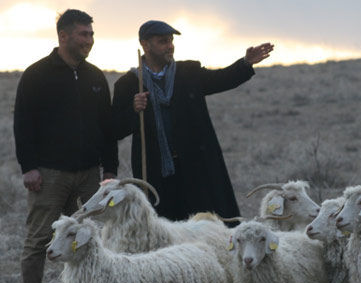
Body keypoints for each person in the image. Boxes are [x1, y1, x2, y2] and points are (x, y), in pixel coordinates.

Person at [13, 9, 118, 283]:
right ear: (63, 36)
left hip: (89, 175)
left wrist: (110, 170)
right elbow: (23, 124)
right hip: (49, 174)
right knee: (39, 238)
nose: (89, 40)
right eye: (83, 34)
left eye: (91, 34)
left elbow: (107, 127)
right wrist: (29, 167)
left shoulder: (95, 76)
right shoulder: (37, 74)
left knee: (86, 239)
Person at [112, 20, 273, 221]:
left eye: (171, 40)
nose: (170, 45)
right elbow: (115, 129)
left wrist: (245, 63)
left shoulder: (188, 72)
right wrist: (133, 110)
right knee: (166, 230)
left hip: (197, 167)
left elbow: (221, 79)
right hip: (156, 173)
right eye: (163, 41)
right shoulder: (129, 84)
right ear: (145, 45)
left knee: (206, 225)